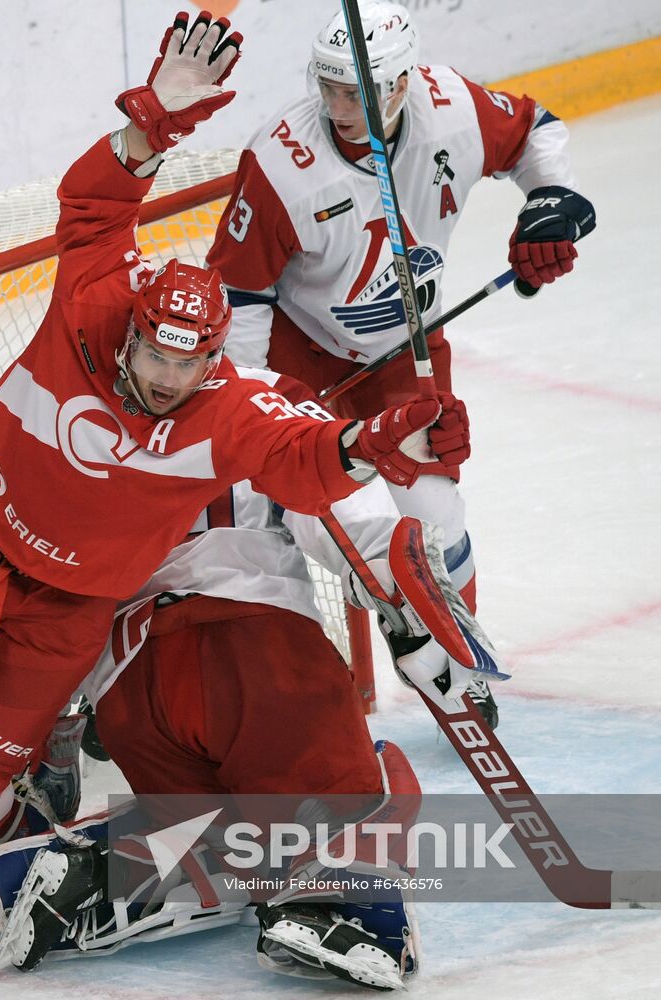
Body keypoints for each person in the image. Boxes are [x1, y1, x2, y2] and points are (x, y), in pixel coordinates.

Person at [0, 11, 454, 942]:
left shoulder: (231, 404)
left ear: (214, 355)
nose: (170, 379)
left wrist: (360, 445)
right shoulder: (93, 301)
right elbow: (93, 210)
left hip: (78, 609)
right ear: (133, 328)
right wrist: (150, 126)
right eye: (157, 356)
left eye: (193, 363)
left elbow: (300, 462)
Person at [0, 370, 502, 991]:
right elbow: (347, 520)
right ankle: (337, 910)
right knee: (382, 786)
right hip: (255, 656)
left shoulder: (80, 418)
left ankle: (106, 870)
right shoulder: (265, 395)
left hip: (129, 691)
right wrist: (411, 611)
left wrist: (52, 727)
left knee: (240, 835)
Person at [206, 0, 597, 721]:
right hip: (299, 366)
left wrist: (549, 200)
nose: (337, 106)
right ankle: (381, 622)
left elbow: (536, 132)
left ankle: (457, 661)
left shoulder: (450, 105)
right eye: (326, 87)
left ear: (400, 83)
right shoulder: (281, 164)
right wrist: (256, 419)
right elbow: (239, 302)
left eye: (355, 91)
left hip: (404, 353)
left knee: (437, 516)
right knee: (309, 522)